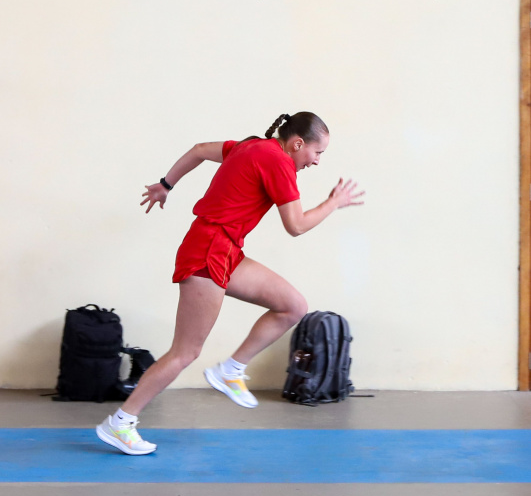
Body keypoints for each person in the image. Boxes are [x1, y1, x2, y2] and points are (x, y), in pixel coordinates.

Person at [95, 112, 364, 455]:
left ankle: (230, 370)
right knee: (185, 352)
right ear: (297, 143)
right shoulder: (278, 162)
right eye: (317, 152)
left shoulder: (251, 146)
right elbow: (295, 225)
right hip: (209, 250)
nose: (316, 161)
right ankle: (120, 423)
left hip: (225, 249)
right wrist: (332, 203)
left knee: (293, 306)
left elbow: (198, 150)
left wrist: (166, 184)